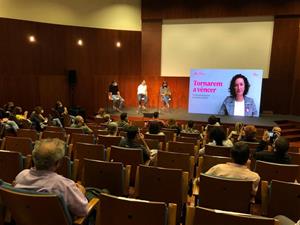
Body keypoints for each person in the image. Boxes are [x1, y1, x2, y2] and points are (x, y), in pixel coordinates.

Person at [14, 138, 88, 217]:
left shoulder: (21, 176)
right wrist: (81, 193)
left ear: (33, 158)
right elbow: (82, 211)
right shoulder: (62, 185)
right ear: (57, 163)